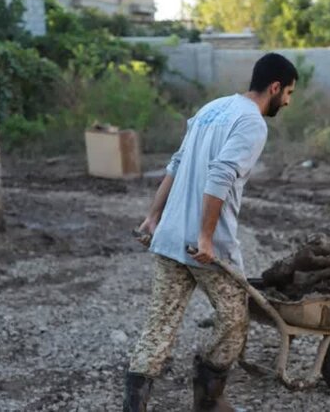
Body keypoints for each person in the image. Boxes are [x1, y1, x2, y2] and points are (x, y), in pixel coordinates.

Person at [123, 53, 298, 412]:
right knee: (235, 319)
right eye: (289, 93)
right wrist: (205, 237)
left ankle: (133, 407)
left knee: (159, 325)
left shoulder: (211, 109)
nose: (288, 102)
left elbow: (176, 163)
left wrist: (153, 216)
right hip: (206, 248)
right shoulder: (252, 122)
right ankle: (208, 397)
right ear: (275, 87)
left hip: (169, 238)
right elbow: (220, 176)